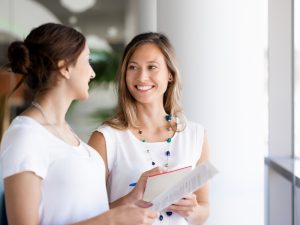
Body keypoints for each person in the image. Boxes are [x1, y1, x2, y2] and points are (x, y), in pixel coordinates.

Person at [0, 23, 158, 225]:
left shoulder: (67, 133)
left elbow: (87, 213)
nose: (92, 73)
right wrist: (111, 221)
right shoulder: (25, 135)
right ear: (64, 67)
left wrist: (131, 199)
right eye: (87, 61)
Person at [88, 32, 210, 225]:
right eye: (133, 67)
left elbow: (204, 209)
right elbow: (91, 217)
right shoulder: (105, 138)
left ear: (170, 74)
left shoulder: (196, 135)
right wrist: (131, 199)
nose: (142, 77)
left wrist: (192, 210)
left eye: (152, 67)